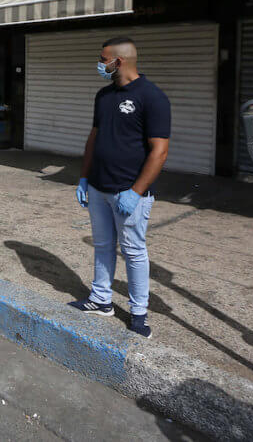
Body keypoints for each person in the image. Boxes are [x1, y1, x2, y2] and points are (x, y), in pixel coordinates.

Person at [70, 36, 170, 339]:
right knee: (102, 246)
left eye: (103, 59)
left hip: (129, 192)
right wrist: (84, 177)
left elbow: (160, 150)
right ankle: (101, 299)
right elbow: (94, 138)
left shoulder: (152, 97)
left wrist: (136, 191)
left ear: (119, 61)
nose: (100, 64)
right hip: (99, 188)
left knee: (134, 251)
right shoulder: (103, 96)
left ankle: (138, 311)